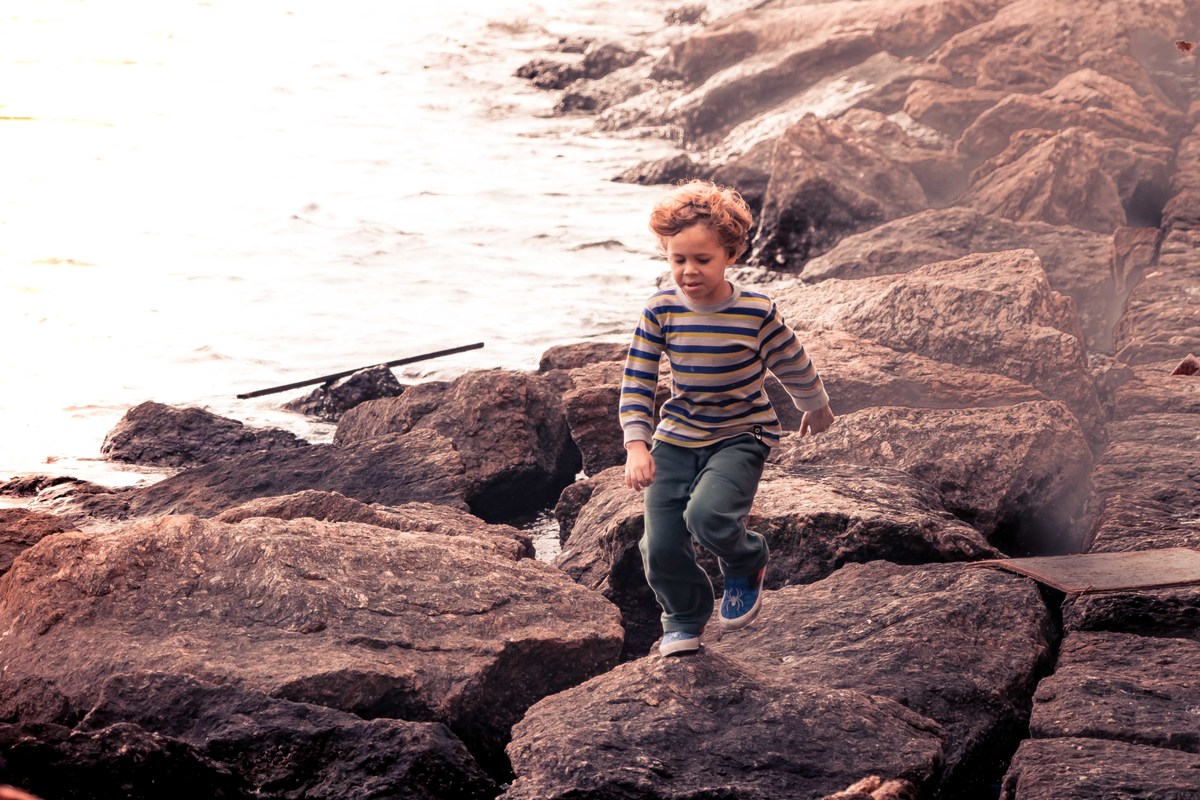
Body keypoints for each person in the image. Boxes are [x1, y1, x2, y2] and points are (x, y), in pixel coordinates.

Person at [619, 179, 835, 657]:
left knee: (708, 515)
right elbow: (637, 380)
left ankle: (746, 560)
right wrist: (637, 444)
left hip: (742, 434)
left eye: (703, 259)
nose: (689, 271)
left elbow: (790, 359)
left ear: (731, 254)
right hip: (676, 438)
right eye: (678, 260)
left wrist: (814, 404)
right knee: (659, 545)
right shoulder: (660, 311)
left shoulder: (755, 312)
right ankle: (684, 617)